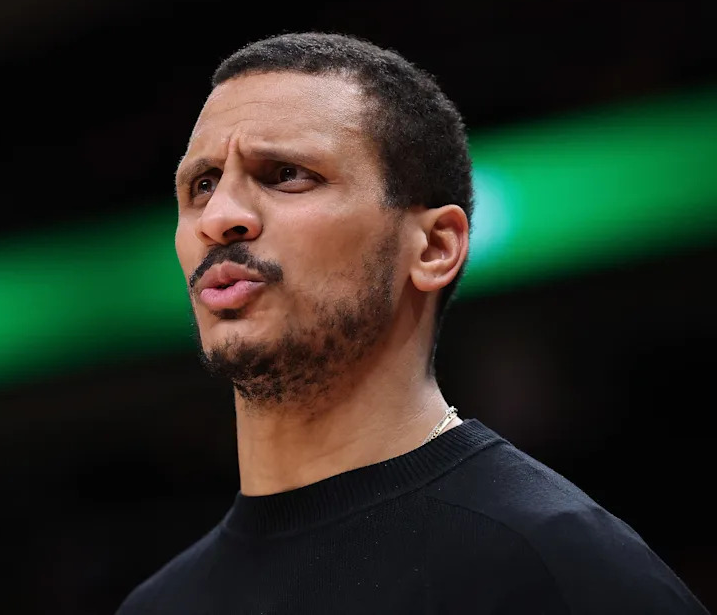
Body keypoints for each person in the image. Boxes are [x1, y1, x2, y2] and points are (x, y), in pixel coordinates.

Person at [116, 32, 709, 614]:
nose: (220, 218)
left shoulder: (556, 564)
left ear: (433, 248)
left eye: (286, 174)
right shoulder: (156, 605)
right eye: (202, 185)